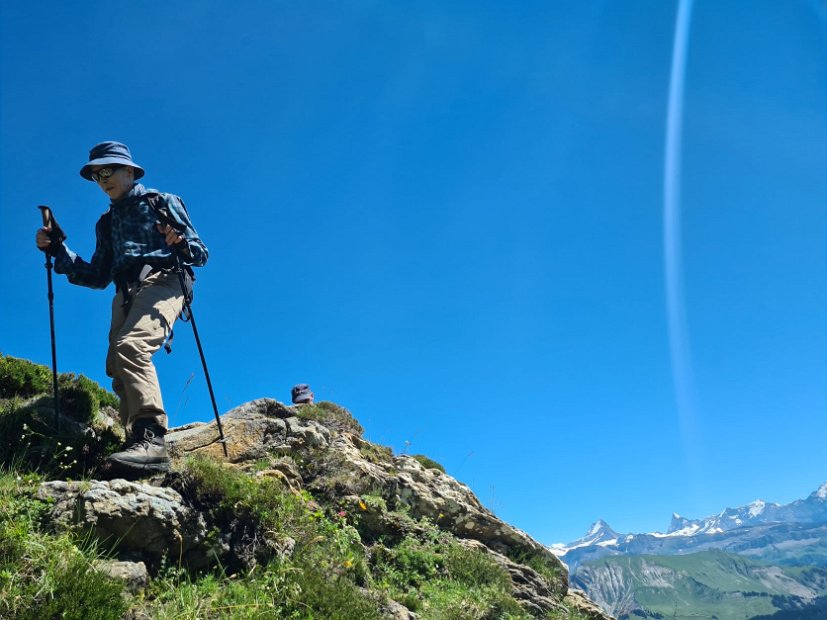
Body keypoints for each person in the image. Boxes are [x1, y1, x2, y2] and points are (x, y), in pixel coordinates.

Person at [35, 141, 208, 474]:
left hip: (165, 279)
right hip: (124, 291)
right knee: (117, 364)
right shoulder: (105, 223)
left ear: (130, 170)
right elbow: (97, 275)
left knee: (132, 346)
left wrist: (180, 243)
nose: (102, 179)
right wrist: (58, 249)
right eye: (96, 175)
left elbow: (200, 253)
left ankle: (152, 440)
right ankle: (133, 447)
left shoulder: (161, 202)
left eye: (108, 170)